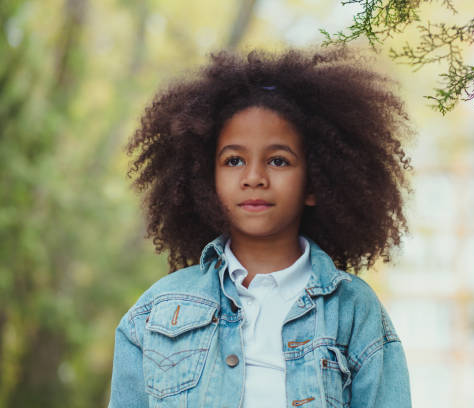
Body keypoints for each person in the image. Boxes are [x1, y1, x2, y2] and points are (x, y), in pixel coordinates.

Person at [108, 47, 412, 408]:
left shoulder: (354, 311)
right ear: (207, 179)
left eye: (278, 160)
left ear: (316, 182)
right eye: (234, 160)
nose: (254, 177)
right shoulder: (156, 311)